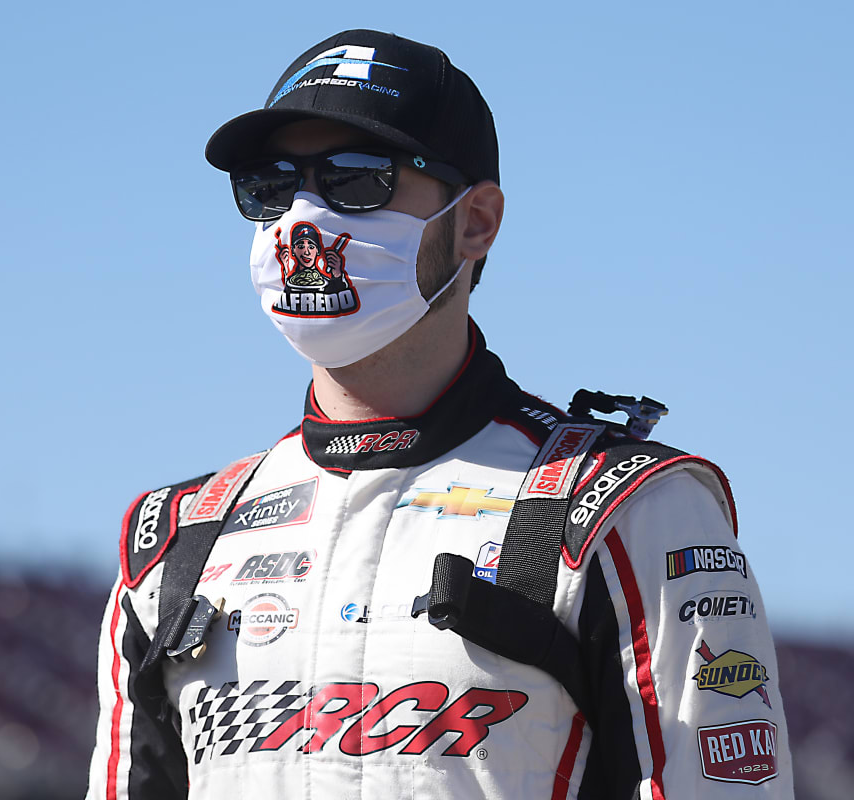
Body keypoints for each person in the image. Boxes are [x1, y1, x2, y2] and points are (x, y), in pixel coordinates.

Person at [87, 30, 792, 799]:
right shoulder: (174, 541)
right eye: (269, 185)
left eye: (356, 179)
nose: (301, 221)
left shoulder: (627, 507)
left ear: (477, 221)